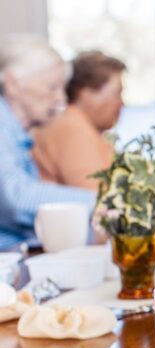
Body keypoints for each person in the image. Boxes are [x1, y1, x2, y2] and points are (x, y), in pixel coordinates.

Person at [0, 34, 94, 250]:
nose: (61, 99)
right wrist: (97, 202)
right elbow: (18, 198)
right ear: (13, 84)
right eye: (52, 87)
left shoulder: (18, 135)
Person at [32, 51, 125, 190]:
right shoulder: (71, 128)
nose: (121, 103)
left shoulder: (81, 126)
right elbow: (98, 197)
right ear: (86, 93)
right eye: (117, 94)